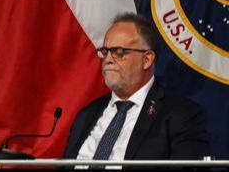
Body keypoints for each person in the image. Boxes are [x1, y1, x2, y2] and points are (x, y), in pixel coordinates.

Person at [61, 13, 209, 160]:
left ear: (147, 60)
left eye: (119, 52)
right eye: (105, 52)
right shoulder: (86, 115)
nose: (108, 60)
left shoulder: (182, 116)